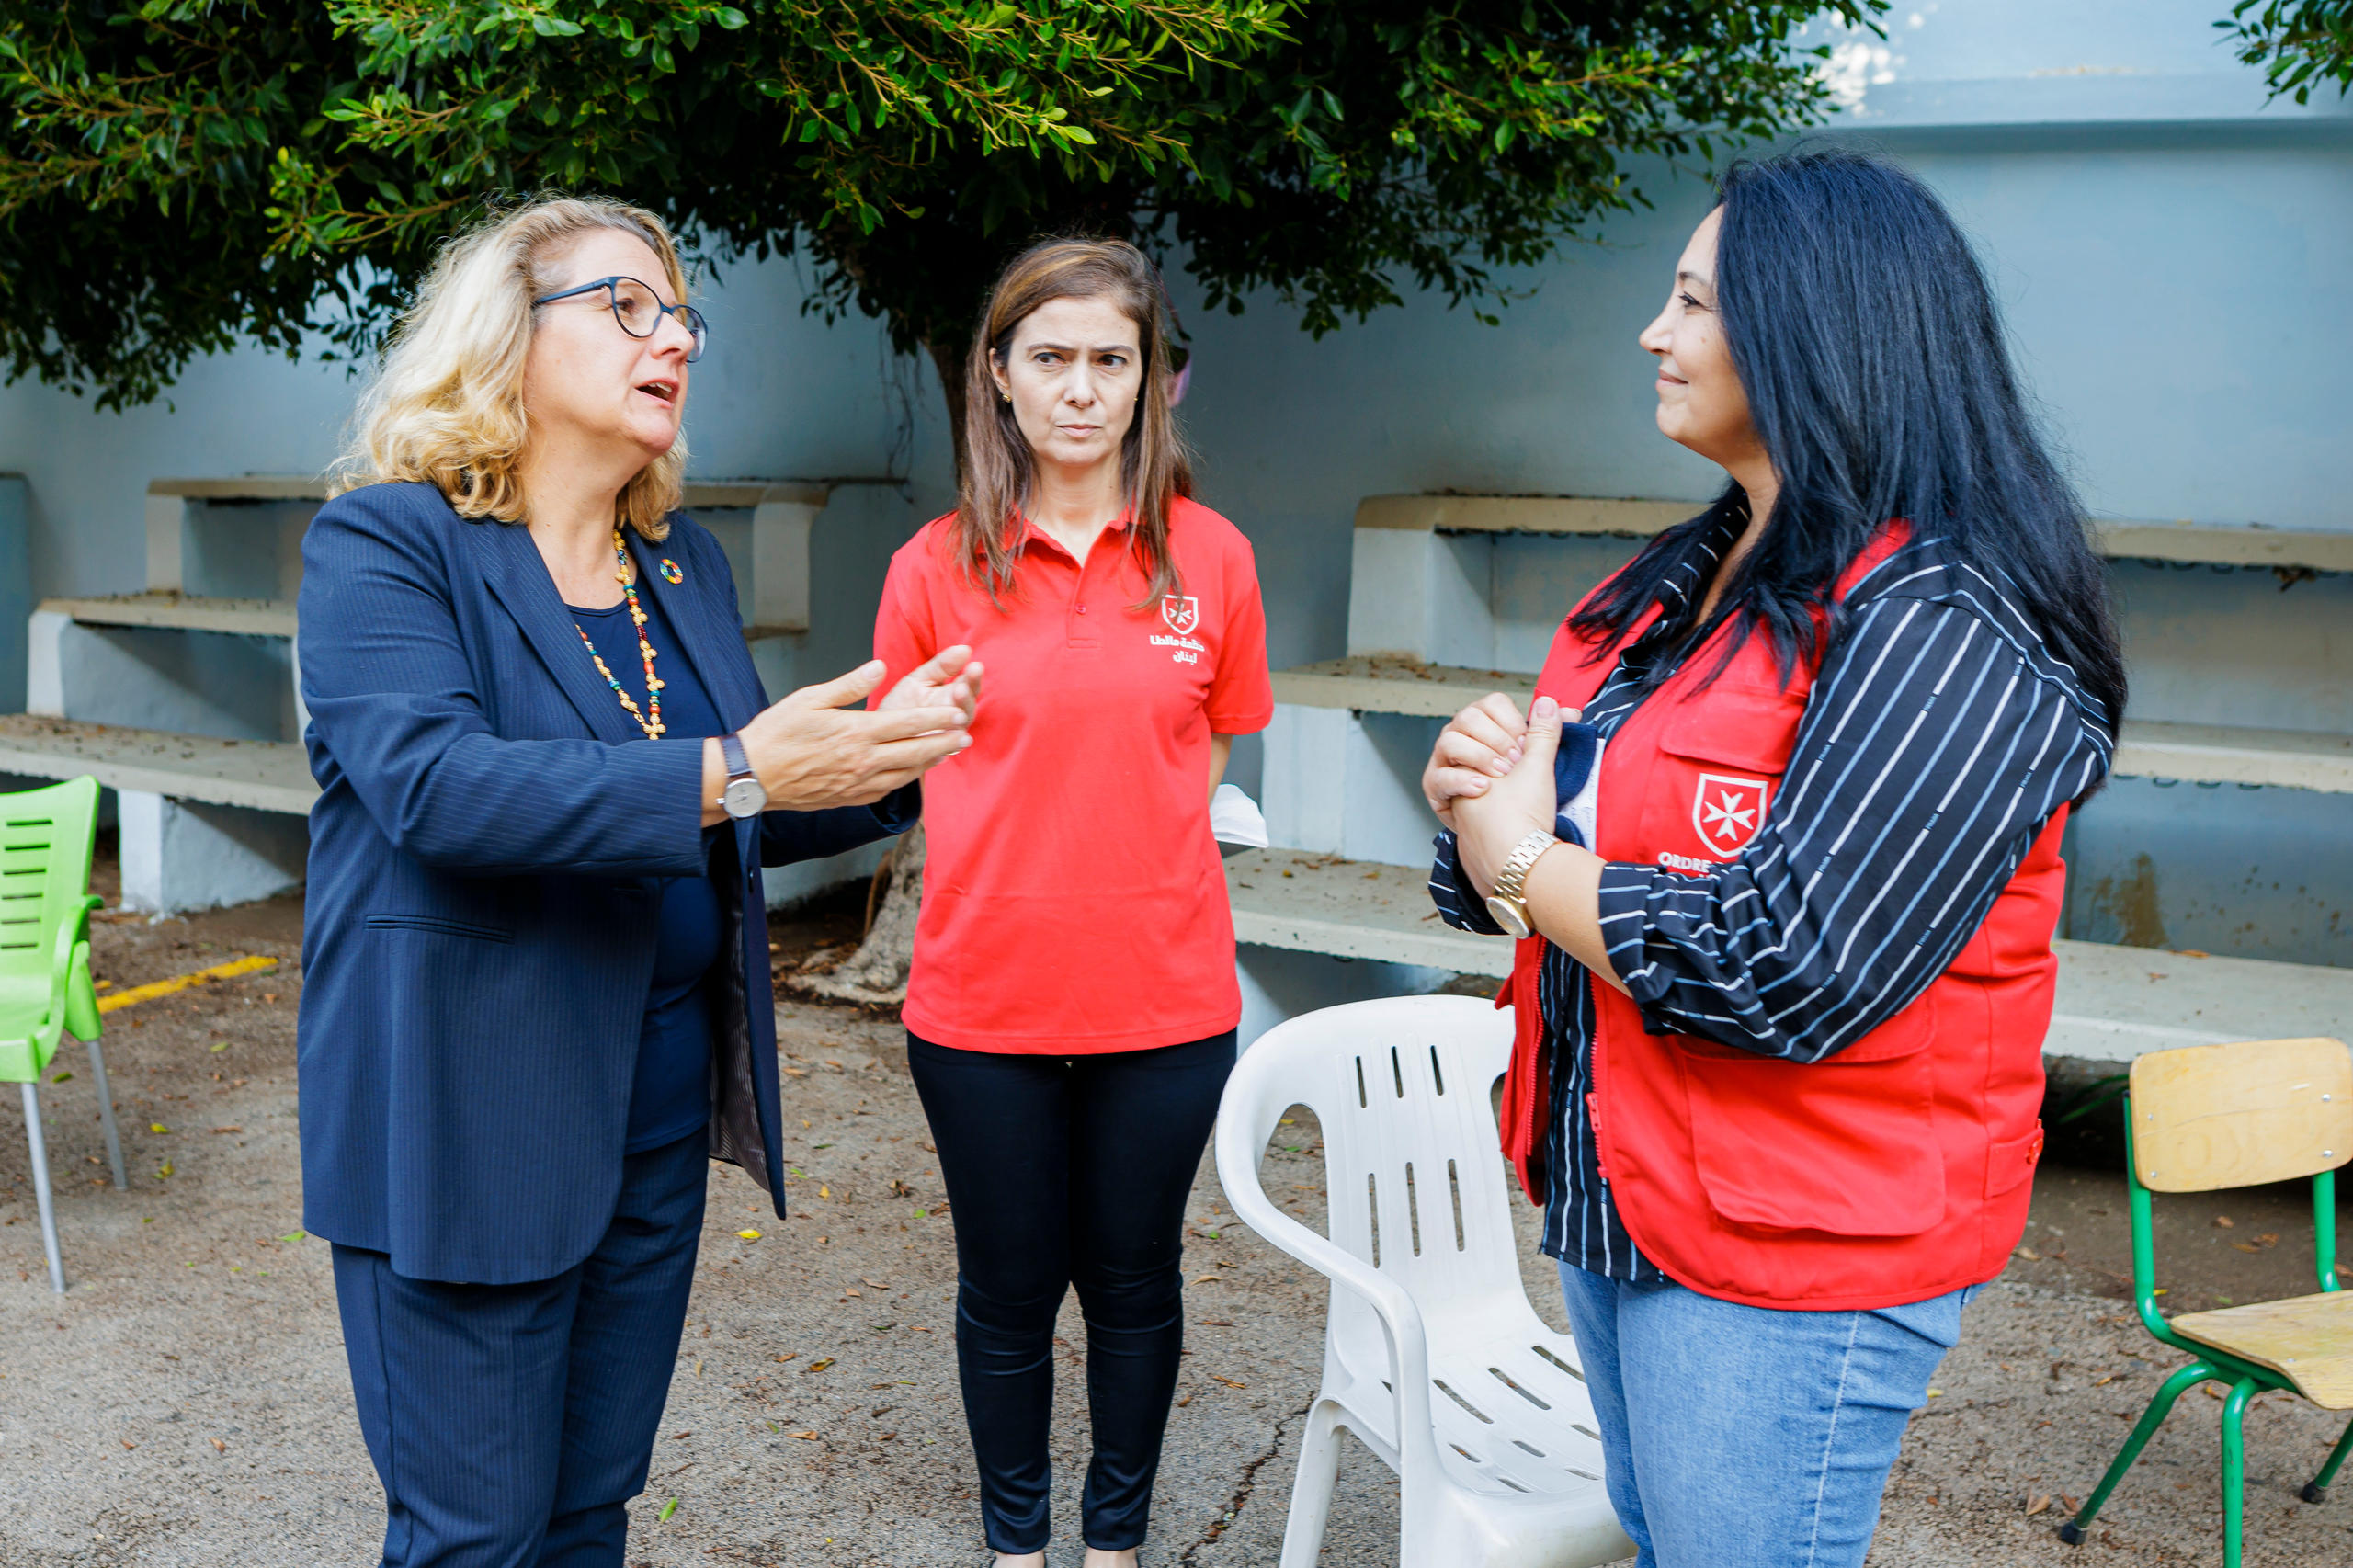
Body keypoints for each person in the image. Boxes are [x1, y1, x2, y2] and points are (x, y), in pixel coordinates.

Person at [1421, 149, 2127, 1567]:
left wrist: (1517, 866)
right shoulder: (1693, 572)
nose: (1653, 333)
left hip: (1793, 1245)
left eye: (1690, 301)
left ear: (1811, 330)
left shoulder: (1953, 615)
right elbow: (1563, 840)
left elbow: (1789, 962)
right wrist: (1474, 804)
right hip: (1627, 1195)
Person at [296, 195, 982, 1568]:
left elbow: (735, 807)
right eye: (628, 307)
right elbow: (440, 790)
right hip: (467, 1119)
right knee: (473, 1535)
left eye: (682, 316)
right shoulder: (386, 545)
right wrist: (746, 766)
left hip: (652, 1118)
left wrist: (896, 760)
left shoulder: (682, 563)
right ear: (508, 336)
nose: (674, 339)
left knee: (589, 1510)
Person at [870, 237, 1272, 1568]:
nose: (1083, 389)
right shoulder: (932, 567)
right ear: (999, 374)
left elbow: (1201, 755)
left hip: (1165, 1000)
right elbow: (901, 759)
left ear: (1160, 380)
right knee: (1004, 1293)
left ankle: (1112, 1545)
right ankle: (1015, 1546)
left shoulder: (1213, 560)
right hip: (981, 1001)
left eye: (1113, 360)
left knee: (1135, 1285)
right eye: (1051, 358)